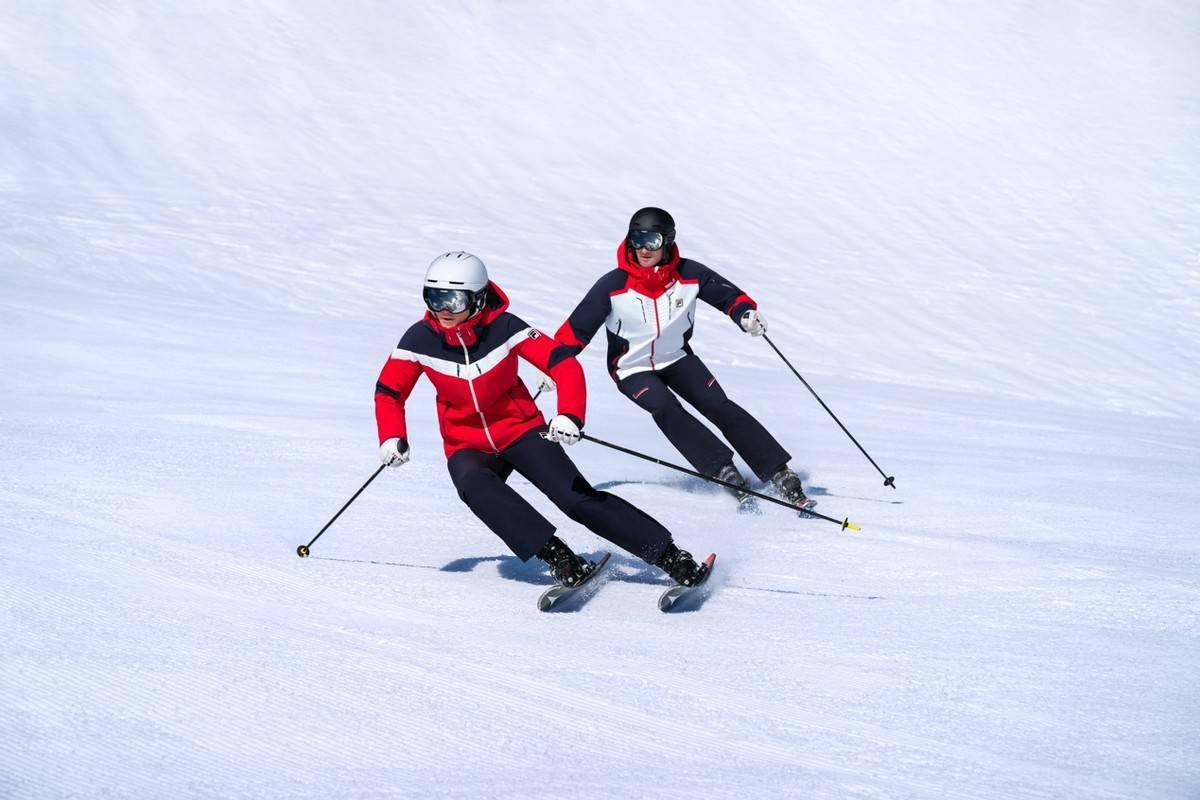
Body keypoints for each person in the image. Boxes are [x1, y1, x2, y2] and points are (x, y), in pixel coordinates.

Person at [374, 251, 709, 588]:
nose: (443, 310)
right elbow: (389, 391)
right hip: (466, 443)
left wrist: (569, 414)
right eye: (434, 297)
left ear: (477, 299)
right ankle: (559, 557)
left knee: (575, 499)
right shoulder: (418, 339)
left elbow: (563, 364)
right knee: (474, 487)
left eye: (454, 299)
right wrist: (391, 435)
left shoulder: (505, 328)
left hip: (521, 431)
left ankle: (669, 555)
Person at [553, 208, 815, 513]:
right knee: (665, 407)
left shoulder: (689, 275)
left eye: (651, 240)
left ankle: (778, 471)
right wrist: (553, 364)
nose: (643, 248)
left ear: (667, 241)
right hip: (632, 368)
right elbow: (575, 329)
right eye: (636, 239)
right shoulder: (612, 285)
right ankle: (721, 469)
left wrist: (744, 313)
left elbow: (727, 295)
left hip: (676, 358)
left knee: (718, 404)